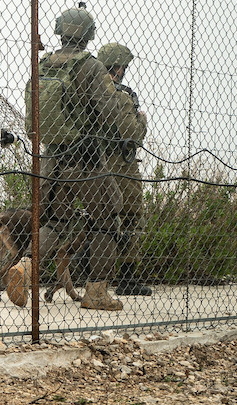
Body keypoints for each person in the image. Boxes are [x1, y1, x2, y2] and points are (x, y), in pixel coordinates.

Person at [14, 5, 143, 311]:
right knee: (107, 219)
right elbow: (113, 115)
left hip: (51, 158)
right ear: (88, 36)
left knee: (56, 221)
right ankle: (96, 294)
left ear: (61, 32)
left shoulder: (45, 64)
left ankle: (26, 267)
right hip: (87, 161)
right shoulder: (91, 67)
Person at [97, 42, 151, 297]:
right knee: (131, 215)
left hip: (91, 160)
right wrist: (142, 121)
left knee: (98, 219)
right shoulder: (121, 94)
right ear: (118, 67)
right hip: (120, 163)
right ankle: (127, 277)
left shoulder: (89, 90)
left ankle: (92, 276)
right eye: (123, 66)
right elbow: (132, 135)